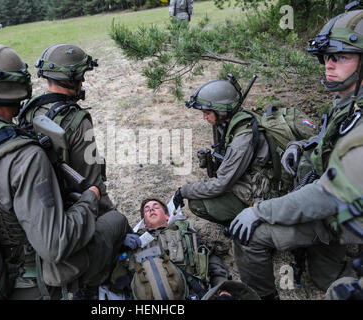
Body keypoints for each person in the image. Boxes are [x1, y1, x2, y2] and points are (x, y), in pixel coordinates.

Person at [0, 43, 129, 299]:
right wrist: (92, 198)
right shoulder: (26, 156)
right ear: (19, 87)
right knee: (117, 222)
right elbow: (55, 244)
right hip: (31, 280)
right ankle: (92, 287)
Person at [228, 7, 363, 300]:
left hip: (342, 213)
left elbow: (327, 194)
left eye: (340, 56)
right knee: (324, 278)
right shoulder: (349, 101)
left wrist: (260, 210)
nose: (329, 65)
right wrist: (301, 145)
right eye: (327, 57)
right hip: (341, 213)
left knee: (251, 234)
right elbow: (332, 141)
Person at [17, 43, 115, 215]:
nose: (83, 81)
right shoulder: (77, 121)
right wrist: (114, 219)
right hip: (72, 212)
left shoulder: (31, 108)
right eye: (81, 75)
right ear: (70, 79)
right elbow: (92, 185)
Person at [171, 78, 275, 227]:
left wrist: (184, 191)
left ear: (221, 110)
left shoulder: (242, 140)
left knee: (197, 203)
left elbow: (220, 184)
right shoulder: (232, 121)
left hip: (262, 196)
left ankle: (249, 227)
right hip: (250, 180)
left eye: (207, 112)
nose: (204, 117)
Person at [109, 198, 231, 300]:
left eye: (155, 206)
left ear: (167, 216)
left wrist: (223, 289)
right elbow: (114, 278)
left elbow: (211, 260)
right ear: (144, 223)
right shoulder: (133, 243)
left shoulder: (185, 234)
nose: (151, 209)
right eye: (147, 209)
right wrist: (119, 245)